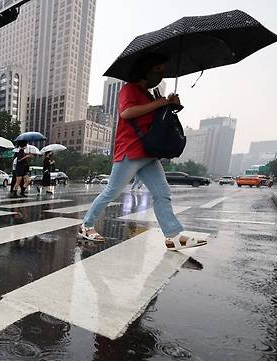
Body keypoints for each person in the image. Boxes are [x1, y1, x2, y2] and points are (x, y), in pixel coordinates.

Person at [78, 52, 207, 251]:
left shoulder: (149, 94)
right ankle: (86, 226)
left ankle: (173, 236)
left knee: (162, 193)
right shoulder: (129, 89)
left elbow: (155, 118)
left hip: (148, 152)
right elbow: (126, 112)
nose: (161, 74)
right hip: (130, 150)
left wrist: (172, 105)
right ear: (145, 69)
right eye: (158, 69)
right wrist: (161, 102)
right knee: (112, 192)